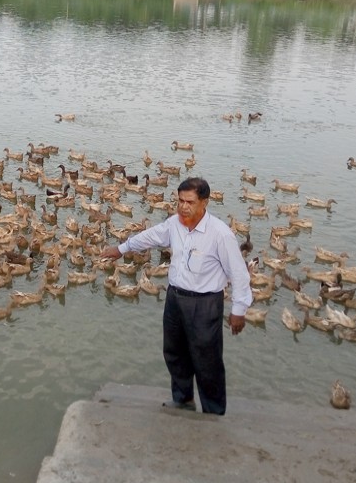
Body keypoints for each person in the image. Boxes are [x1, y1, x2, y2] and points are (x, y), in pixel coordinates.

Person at [101, 177, 252, 415]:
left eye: (189, 202)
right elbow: (150, 236)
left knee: (207, 360)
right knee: (174, 352)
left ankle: (213, 411)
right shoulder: (175, 224)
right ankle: (183, 400)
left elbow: (240, 274)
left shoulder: (220, 234)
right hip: (175, 298)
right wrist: (121, 249)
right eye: (180, 201)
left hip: (204, 304)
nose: (183, 206)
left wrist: (239, 310)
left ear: (205, 202)